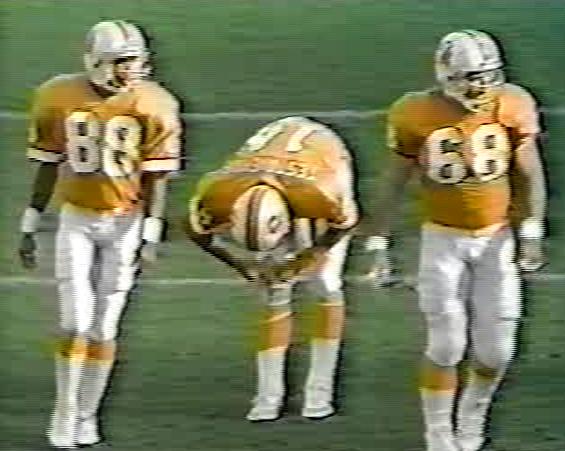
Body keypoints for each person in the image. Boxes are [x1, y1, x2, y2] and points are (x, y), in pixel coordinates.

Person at [364, 30, 546, 451]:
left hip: (497, 239)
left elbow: (529, 173)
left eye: (488, 76)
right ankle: (439, 435)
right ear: (447, 76)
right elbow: (394, 182)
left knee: (497, 352)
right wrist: (377, 244)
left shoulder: (512, 103)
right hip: (442, 240)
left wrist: (531, 231)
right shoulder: (415, 112)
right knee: (446, 345)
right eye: (471, 77)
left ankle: (472, 417)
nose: (481, 86)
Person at [18, 20, 182, 449]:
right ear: (97, 63)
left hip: (127, 221)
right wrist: (31, 223)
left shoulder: (155, 102)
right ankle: (63, 414)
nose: (132, 70)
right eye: (123, 62)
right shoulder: (58, 95)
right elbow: (47, 163)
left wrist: (151, 233)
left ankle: (87, 417)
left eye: (135, 61)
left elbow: (157, 177)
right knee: (74, 323)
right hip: (77, 217)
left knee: (104, 329)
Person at [186, 116, 358, 422]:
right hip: (270, 175)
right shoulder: (216, 194)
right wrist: (242, 264)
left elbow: (344, 223)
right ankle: (268, 396)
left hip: (322, 156)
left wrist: (306, 258)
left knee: (325, 283)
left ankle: (320, 393)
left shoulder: (320, 193)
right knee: (272, 290)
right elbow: (197, 232)